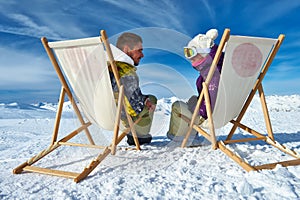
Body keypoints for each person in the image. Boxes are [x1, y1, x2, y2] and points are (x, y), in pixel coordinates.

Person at [166, 29, 224, 146]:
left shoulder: (211, 73)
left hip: (210, 115)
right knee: (193, 99)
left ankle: (182, 137)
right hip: (225, 110)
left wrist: (198, 110)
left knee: (177, 106)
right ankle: (191, 133)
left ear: (203, 52)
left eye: (191, 53)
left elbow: (211, 102)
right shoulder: (222, 67)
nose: (189, 58)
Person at [108, 32, 157, 146]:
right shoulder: (125, 71)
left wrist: (142, 98)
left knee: (145, 99)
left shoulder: (108, 66)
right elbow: (135, 107)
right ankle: (139, 136)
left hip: (103, 114)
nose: (142, 55)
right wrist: (147, 102)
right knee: (152, 98)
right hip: (123, 119)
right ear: (126, 49)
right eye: (139, 50)